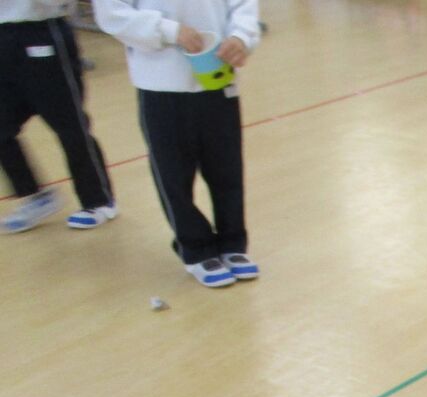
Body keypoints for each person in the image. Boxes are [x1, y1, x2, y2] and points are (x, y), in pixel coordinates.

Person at [92, 0, 260, 287]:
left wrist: (241, 36)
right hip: (160, 83)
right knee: (173, 175)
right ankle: (196, 248)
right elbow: (111, 13)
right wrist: (170, 30)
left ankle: (233, 243)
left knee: (227, 168)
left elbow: (243, 5)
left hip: (218, 75)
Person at [0, 0, 116, 233]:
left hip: (41, 31)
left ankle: (98, 200)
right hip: (4, 36)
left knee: (70, 125)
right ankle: (34, 196)